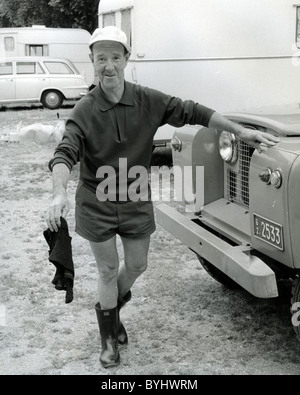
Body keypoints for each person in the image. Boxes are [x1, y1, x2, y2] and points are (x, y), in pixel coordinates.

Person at [46, 26, 279, 368]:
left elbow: (193, 111)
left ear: (125, 59)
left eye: (114, 57)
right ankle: (108, 337)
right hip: (97, 199)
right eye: (100, 59)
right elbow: (65, 152)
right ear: (93, 62)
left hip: (136, 197)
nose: (108, 66)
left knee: (137, 265)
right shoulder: (84, 109)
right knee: (108, 269)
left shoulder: (147, 99)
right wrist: (58, 192)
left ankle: (108, 308)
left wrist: (240, 131)